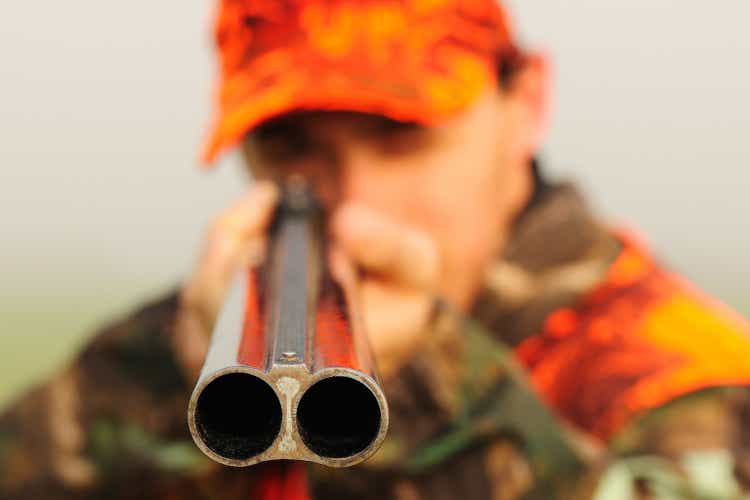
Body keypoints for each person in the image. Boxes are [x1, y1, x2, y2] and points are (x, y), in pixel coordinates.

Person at [3, 0, 750, 498]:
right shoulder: (214, 339)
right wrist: (168, 385)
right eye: (290, 143)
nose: (349, 202)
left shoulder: (687, 377)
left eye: (401, 134)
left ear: (526, 105)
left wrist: (432, 383)